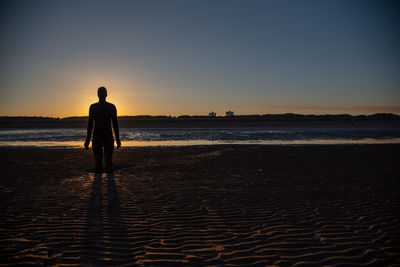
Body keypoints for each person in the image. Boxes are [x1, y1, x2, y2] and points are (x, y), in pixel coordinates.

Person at [84, 87, 121, 173]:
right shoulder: (94, 107)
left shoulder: (110, 107)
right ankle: (101, 182)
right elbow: (90, 124)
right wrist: (87, 140)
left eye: (102, 93)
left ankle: (106, 182)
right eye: (101, 93)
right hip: (99, 136)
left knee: (107, 163)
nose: (102, 95)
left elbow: (115, 124)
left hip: (105, 135)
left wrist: (118, 139)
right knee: (100, 163)